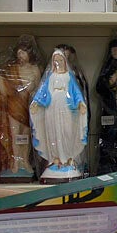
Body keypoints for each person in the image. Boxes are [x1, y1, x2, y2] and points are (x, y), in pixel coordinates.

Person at [30, 48, 89, 181]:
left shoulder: (69, 76)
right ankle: (55, 158)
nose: (58, 63)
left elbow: (76, 93)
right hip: (51, 110)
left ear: (64, 61)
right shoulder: (50, 77)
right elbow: (42, 93)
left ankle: (68, 157)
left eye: (60, 60)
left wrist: (80, 103)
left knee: (67, 132)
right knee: (53, 132)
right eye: (55, 60)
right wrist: (36, 103)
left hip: (66, 109)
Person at [0, 36, 42, 178]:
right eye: (19, 52)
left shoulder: (35, 70)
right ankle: (14, 162)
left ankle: (24, 161)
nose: (21, 55)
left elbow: (39, 90)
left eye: (23, 52)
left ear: (30, 53)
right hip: (14, 107)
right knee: (14, 135)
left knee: (25, 136)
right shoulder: (12, 69)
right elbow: (5, 88)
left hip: (28, 108)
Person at [95, 38, 117, 174]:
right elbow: (98, 87)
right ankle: (107, 165)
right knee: (108, 136)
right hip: (109, 108)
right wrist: (109, 82)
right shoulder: (107, 68)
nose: (116, 52)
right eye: (113, 50)